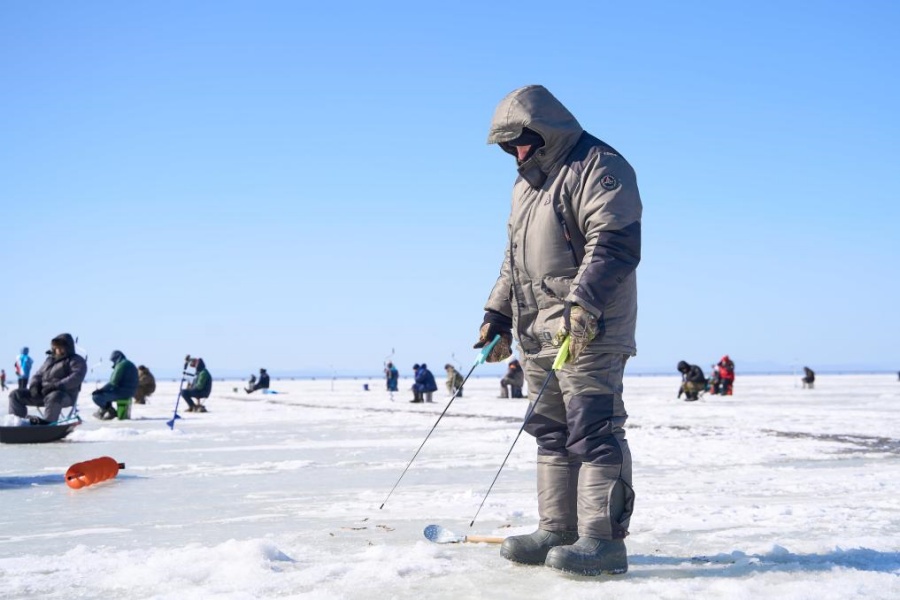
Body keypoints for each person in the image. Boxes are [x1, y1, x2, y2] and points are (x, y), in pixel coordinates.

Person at [473, 85, 641, 576]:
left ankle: (602, 541)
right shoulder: (526, 185)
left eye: (522, 141)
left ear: (545, 131)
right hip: (537, 332)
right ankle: (558, 529)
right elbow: (514, 261)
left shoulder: (599, 166)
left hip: (589, 328)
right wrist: (497, 314)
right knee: (549, 431)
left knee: (594, 429)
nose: (517, 152)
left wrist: (582, 305)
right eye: (509, 146)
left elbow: (613, 245)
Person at [8, 333, 87, 424]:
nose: (59, 350)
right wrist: (34, 385)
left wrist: (56, 386)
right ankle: (16, 422)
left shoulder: (76, 360)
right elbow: (38, 375)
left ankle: (47, 424)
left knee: (54, 396)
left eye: (62, 347)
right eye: (57, 347)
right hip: (43, 393)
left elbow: (76, 377)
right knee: (16, 395)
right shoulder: (50, 360)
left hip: (64, 395)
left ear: (68, 347)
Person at [92, 350, 139, 420]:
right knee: (106, 394)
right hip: (130, 391)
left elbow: (113, 383)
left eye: (113, 360)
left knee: (97, 397)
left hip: (122, 392)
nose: (113, 363)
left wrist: (100, 390)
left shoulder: (121, 365)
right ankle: (104, 411)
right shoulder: (129, 363)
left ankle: (112, 412)